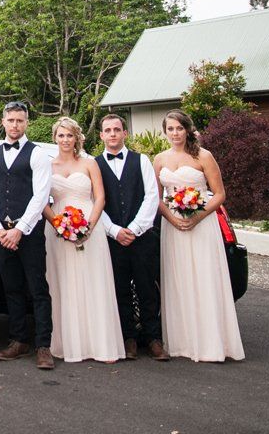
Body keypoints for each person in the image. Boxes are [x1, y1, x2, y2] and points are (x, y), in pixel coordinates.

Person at [155, 110, 245, 362]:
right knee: (178, 280)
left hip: (202, 225)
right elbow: (155, 196)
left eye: (179, 128)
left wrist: (196, 216)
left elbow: (219, 194)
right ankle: (183, 342)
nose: (175, 133)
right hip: (172, 228)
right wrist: (172, 218)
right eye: (170, 129)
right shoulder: (159, 159)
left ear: (187, 130)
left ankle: (211, 343)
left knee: (204, 278)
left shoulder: (204, 157)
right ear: (165, 132)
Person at [42, 117, 124, 363]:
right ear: (55, 138)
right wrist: (58, 223)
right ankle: (69, 345)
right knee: (63, 285)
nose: (65, 140)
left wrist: (89, 225)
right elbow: (42, 201)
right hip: (58, 231)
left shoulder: (89, 164)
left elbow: (100, 198)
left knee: (94, 282)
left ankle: (101, 345)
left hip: (90, 227)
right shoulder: (48, 166)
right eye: (61, 135)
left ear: (77, 137)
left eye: (70, 135)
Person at [0, 101, 55, 369]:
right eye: (11, 120)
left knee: (37, 288)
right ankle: (18, 340)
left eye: (20, 121)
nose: (15, 125)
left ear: (26, 123)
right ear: (3, 121)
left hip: (30, 233)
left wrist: (19, 230)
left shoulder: (37, 155)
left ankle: (43, 345)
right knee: (11, 288)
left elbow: (40, 196)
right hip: (0, 232)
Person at [96, 114, 168, 360]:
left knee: (147, 288)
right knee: (119, 289)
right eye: (108, 130)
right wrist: (114, 230)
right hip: (111, 239)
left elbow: (151, 197)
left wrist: (135, 229)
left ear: (125, 133)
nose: (113, 134)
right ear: (101, 135)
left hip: (142, 237)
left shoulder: (141, 161)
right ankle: (128, 339)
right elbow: (94, 202)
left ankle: (154, 339)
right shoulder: (95, 165)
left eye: (117, 129)